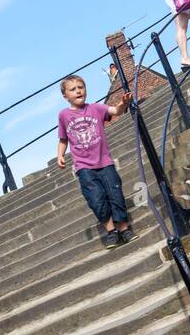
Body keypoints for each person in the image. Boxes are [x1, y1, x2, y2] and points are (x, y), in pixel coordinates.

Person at [57, 77, 136, 249]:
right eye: (73, 89)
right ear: (65, 96)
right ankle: (111, 232)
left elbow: (115, 110)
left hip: (104, 162)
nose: (78, 91)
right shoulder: (64, 115)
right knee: (96, 199)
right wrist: (60, 155)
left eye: (81, 87)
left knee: (115, 194)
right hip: (83, 167)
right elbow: (63, 139)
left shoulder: (96, 108)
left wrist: (124, 103)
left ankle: (124, 228)